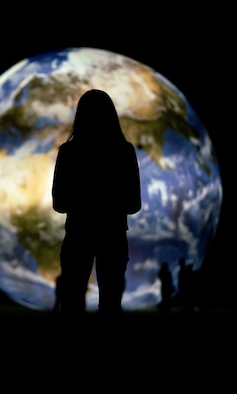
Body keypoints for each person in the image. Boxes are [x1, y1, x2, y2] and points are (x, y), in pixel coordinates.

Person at [52, 89, 142, 317]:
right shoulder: (124, 151)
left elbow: (59, 204)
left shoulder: (68, 152)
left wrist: (83, 202)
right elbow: (134, 204)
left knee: (72, 305)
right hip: (113, 236)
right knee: (111, 305)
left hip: (77, 235)